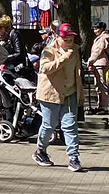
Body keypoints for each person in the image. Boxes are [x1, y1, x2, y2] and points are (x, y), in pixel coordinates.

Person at [33, 23, 84, 172]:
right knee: (49, 125)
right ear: (57, 36)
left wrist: (80, 93)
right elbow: (44, 68)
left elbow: (77, 74)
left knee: (70, 126)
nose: (69, 41)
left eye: (71, 39)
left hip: (70, 93)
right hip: (50, 95)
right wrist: (62, 59)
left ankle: (74, 158)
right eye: (65, 38)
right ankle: (40, 151)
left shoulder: (75, 50)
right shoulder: (49, 51)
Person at [87, 21, 109, 115]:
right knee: (99, 86)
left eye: (96, 28)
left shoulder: (102, 38)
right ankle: (100, 105)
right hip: (98, 64)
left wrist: (90, 61)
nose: (95, 30)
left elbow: (97, 51)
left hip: (101, 64)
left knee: (102, 85)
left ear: (101, 29)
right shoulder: (101, 38)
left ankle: (104, 107)